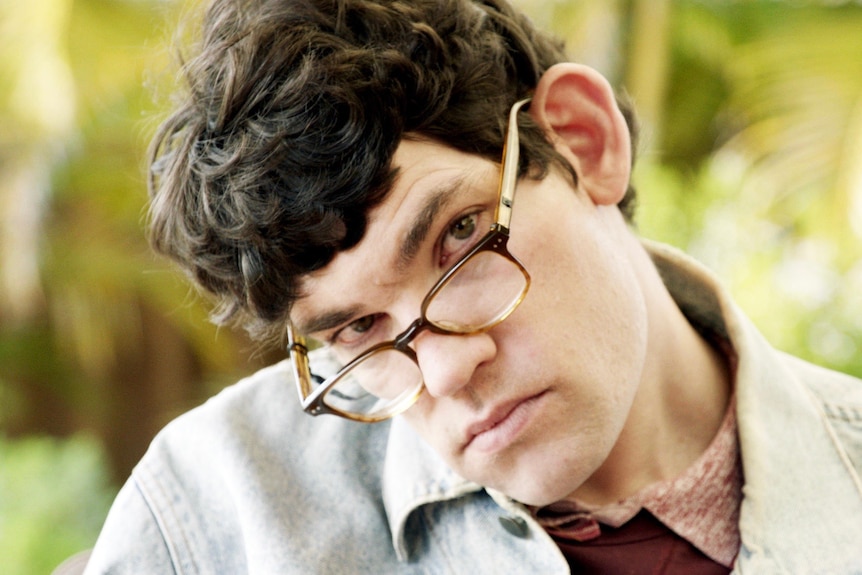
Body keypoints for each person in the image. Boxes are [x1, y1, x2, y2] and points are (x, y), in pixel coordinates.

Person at [84, 0, 862, 572]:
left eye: (458, 237)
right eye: (356, 329)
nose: (449, 371)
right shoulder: (213, 516)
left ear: (582, 141)